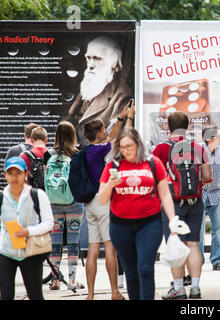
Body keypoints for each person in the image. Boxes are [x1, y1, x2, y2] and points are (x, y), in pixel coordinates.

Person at [98, 127, 177, 300]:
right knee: (131, 273)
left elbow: (164, 193)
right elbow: (102, 199)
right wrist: (110, 184)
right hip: (120, 226)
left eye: (130, 146)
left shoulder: (152, 162)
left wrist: (172, 220)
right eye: (122, 147)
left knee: (145, 268)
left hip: (150, 223)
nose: (126, 151)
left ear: (138, 144)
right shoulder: (113, 165)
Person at [152, 111, 211, 300]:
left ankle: (178, 289)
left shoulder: (161, 149)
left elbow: (153, 177)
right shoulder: (198, 148)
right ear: (187, 127)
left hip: (172, 202)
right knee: (194, 244)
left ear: (168, 127)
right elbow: (208, 176)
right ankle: (195, 288)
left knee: (176, 243)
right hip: (196, 201)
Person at [83, 102, 134, 300]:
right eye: (104, 129)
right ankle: (114, 291)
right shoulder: (103, 149)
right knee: (110, 247)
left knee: (93, 249)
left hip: (90, 203)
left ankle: (90, 294)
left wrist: (120, 118)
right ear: (99, 134)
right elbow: (119, 138)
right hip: (103, 201)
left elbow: (112, 135)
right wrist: (127, 118)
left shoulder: (87, 151)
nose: (107, 131)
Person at [0, 157, 54, 300]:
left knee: (35, 294)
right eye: (10, 173)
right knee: (5, 295)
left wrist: (29, 231)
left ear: (26, 173)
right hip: (6, 252)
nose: (14, 177)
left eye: (18, 173)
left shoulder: (37, 195)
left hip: (30, 251)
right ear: (5, 175)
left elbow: (49, 222)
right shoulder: (2, 197)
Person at [43, 121, 85, 291]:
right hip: (74, 203)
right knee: (74, 242)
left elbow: (47, 179)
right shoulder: (77, 153)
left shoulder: (48, 154)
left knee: (55, 242)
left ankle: (55, 280)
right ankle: (72, 281)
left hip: (53, 204)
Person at [67, 36, 132, 146]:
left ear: (113, 63)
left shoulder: (121, 94)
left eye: (97, 58)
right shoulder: (89, 85)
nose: (91, 65)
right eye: (88, 58)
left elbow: (113, 136)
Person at [199, 125, 220, 271]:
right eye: (218, 136)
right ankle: (198, 261)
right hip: (200, 194)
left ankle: (217, 260)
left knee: (218, 228)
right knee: (198, 231)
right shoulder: (198, 150)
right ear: (208, 139)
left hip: (216, 192)